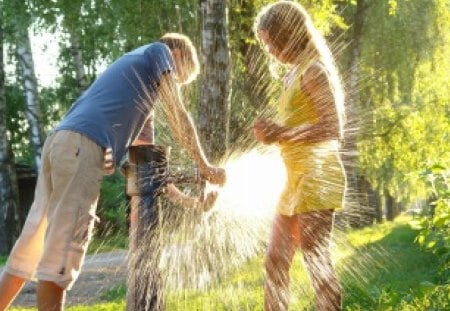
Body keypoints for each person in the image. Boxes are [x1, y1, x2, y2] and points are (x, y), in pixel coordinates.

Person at [0, 32, 225, 311]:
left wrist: (193, 203)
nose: (175, 84)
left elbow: (148, 173)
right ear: (177, 55)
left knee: (30, 248)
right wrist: (205, 166)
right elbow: (179, 114)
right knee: (61, 256)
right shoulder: (159, 51)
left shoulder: (141, 95)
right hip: (81, 148)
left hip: (61, 144)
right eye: (179, 78)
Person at [252, 2, 346, 311]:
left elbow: (333, 127)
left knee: (315, 260)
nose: (270, 50)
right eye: (266, 43)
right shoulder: (292, 75)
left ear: (289, 35)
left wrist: (281, 133)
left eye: (271, 42)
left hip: (318, 177)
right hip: (292, 179)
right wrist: (273, 133)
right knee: (275, 261)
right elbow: (293, 127)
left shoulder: (313, 71)